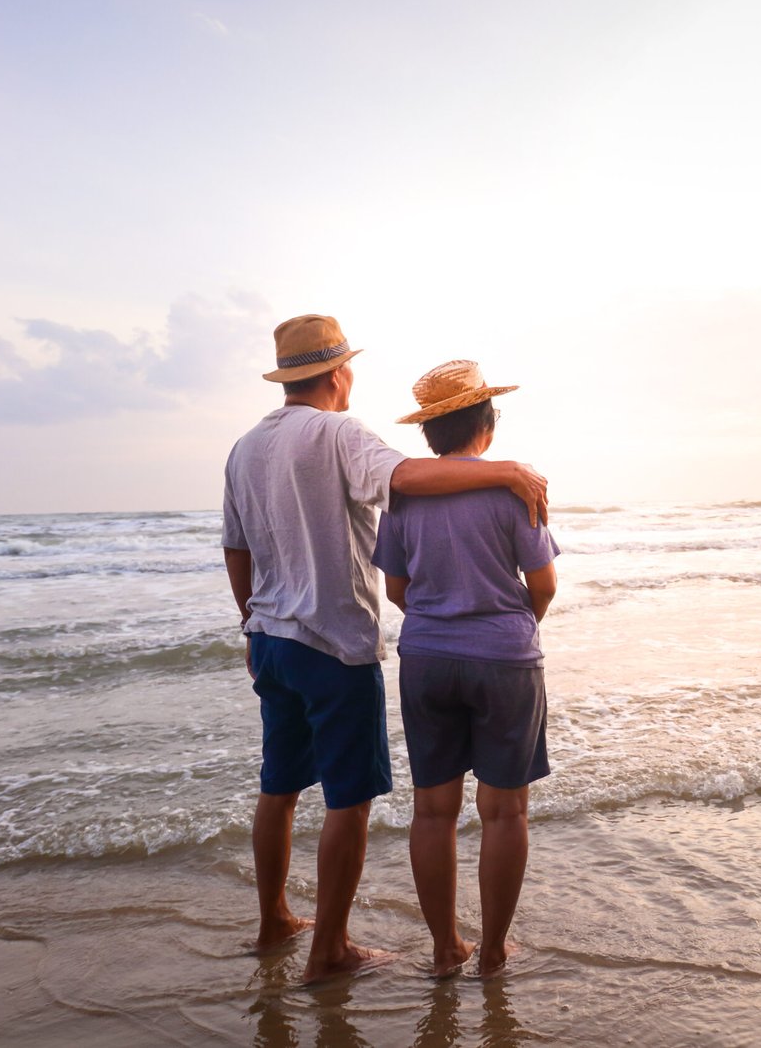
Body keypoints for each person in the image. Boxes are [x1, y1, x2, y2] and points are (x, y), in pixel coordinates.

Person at [221, 315, 548, 984]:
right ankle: (329, 949)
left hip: (272, 637)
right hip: (332, 642)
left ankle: (275, 919)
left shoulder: (244, 447)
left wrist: (249, 622)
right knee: (348, 798)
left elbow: (237, 547)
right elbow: (410, 479)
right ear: (338, 372)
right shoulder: (337, 431)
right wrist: (506, 470)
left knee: (277, 785)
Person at [372, 360, 558, 980]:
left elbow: (396, 586)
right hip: (504, 656)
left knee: (433, 811)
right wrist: (511, 623)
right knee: (505, 812)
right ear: (487, 423)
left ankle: (445, 948)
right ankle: (495, 950)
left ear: (430, 434)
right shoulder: (515, 488)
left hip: (426, 657)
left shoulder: (403, 494)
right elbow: (544, 584)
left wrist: (438, 614)